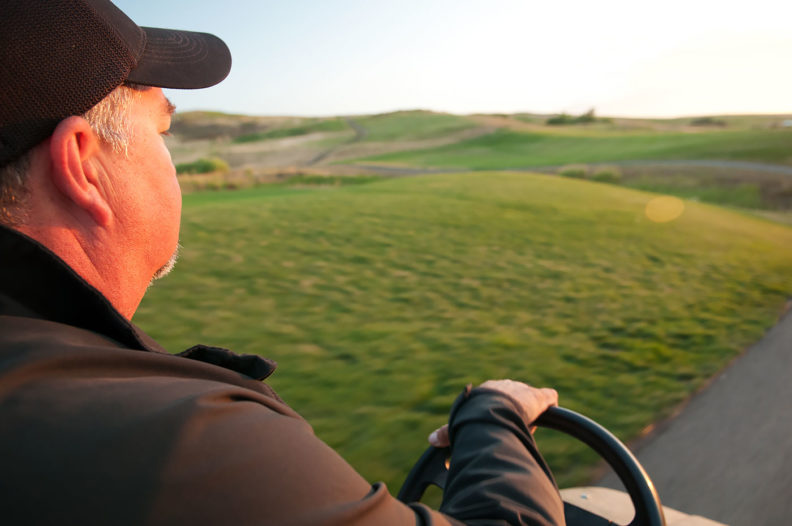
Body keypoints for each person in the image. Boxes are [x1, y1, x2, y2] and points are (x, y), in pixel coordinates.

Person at [0, 1, 565, 524]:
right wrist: (494, 415)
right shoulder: (181, 443)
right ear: (83, 166)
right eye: (163, 130)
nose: (174, 166)